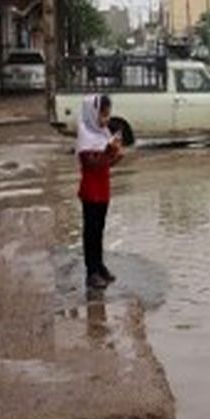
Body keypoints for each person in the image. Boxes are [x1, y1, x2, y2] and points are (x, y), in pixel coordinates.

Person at [76, 94, 124, 290]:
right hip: (90, 190)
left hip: (103, 189)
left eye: (107, 115)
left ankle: (99, 264)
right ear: (92, 113)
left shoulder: (103, 133)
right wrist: (109, 152)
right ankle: (91, 271)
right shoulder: (85, 136)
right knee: (91, 231)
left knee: (100, 229)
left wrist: (116, 156)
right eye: (102, 115)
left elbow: (106, 163)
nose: (106, 120)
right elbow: (92, 163)